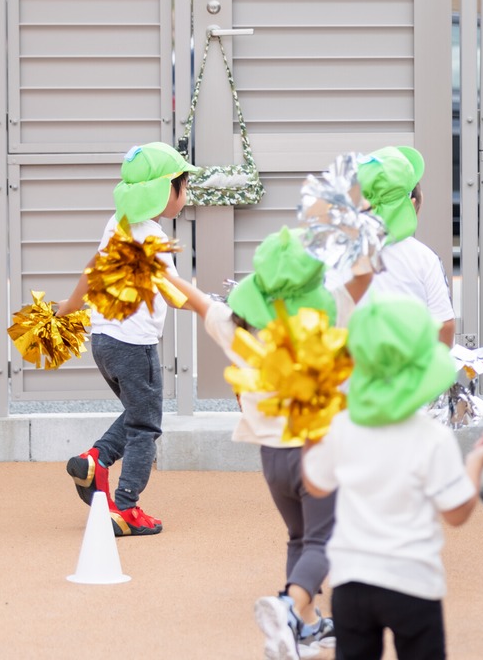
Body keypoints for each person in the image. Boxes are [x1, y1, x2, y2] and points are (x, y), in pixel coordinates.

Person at [168, 226, 372, 659]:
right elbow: (364, 274)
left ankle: (305, 628)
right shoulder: (331, 311)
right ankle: (288, 608)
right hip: (317, 452)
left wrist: (157, 268)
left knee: (299, 537)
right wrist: (353, 227)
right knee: (326, 540)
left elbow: (196, 299)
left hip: (272, 458)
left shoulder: (237, 326)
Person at [302, 295, 483, 660]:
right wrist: (476, 462)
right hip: (413, 582)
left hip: (351, 581)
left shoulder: (341, 426)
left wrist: (310, 431)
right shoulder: (432, 437)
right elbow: (456, 513)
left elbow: (316, 485)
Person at [58, 141, 200, 537]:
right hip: (136, 346)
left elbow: (93, 268)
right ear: (165, 190)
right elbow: (175, 293)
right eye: (183, 185)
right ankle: (125, 507)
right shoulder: (153, 238)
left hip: (103, 340)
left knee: (140, 412)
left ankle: (95, 459)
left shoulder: (115, 224)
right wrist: (215, 308)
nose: (185, 194)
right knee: (146, 428)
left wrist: (70, 306)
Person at [358, 146, 455, 345]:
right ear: (410, 205)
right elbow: (444, 325)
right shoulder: (423, 258)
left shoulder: (336, 252)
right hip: (409, 363)